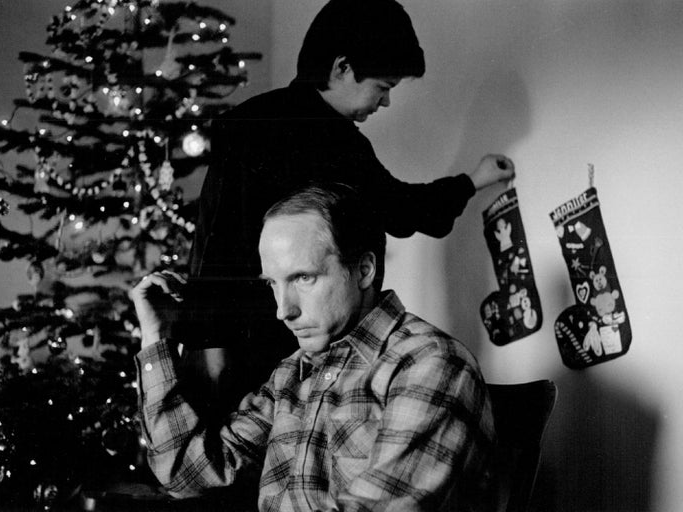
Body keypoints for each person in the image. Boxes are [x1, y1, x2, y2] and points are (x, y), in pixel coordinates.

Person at [183, 0, 515, 412]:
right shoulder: (320, 138)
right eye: (383, 87)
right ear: (342, 68)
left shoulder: (283, 126)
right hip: (270, 351)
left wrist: (473, 180)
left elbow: (399, 210)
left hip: (271, 349)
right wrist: (210, 343)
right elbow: (218, 242)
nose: (386, 102)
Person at [132, 183, 496, 512]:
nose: (283, 310)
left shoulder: (428, 363)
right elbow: (187, 474)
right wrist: (156, 337)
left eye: (303, 278)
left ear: (364, 269)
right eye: (273, 283)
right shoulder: (294, 371)